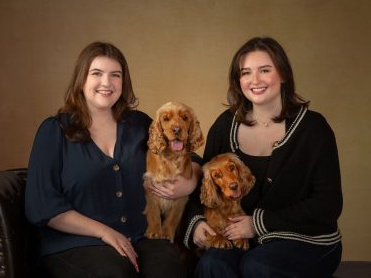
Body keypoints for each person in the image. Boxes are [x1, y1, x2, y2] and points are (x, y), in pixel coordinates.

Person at [25, 41, 200, 278]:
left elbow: (188, 155)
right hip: (76, 242)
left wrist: (190, 181)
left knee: (168, 269)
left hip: (141, 236)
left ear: (123, 83)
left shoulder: (139, 124)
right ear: (81, 80)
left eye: (115, 75)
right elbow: (42, 206)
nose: (106, 83)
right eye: (96, 73)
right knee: (115, 273)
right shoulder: (54, 131)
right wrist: (104, 232)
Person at [182, 37, 343, 278]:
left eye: (265, 70)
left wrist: (258, 224)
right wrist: (195, 222)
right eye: (246, 73)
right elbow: (204, 189)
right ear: (238, 81)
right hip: (238, 235)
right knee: (213, 263)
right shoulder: (225, 125)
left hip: (307, 239)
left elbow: (327, 204)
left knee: (259, 266)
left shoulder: (313, 129)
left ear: (283, 75)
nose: (254, 81)